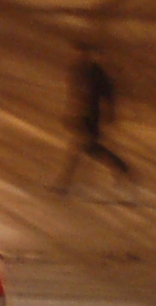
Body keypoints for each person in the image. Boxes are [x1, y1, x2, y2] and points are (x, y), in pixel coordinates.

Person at [52, 35, 134, 194]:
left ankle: (64, 184)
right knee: (88, 149)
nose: (78, 55)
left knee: (80, 149)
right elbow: (74, 95)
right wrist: (71, 113)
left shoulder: (96, 73)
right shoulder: (77, 71)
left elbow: (108, 95)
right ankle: (122, 169)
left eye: (81, 52)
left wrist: (110, 113)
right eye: (77, 52)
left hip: (91, 116)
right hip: (82, 116)